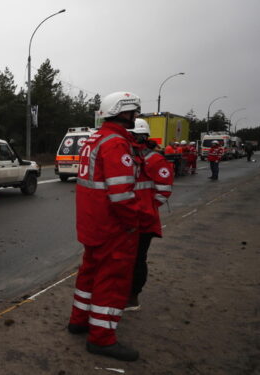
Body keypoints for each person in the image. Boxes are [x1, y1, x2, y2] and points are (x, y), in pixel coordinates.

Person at [68, 91, 141, 362]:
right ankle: (101, 338)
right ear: (123, 112)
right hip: (113, 227)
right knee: (111, 282)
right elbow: (121, 194)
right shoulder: (115, 143)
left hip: (92, 224)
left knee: (88, 274)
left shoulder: (95, 139)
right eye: (134, 112)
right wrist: (133, 223)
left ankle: (79, 321)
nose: (136, 117)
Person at [128, 119, 173, 311]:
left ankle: (132, 297)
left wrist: (147, 208)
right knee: (123, 259)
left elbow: (163, 191)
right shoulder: (123, 156)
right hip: (125, 218)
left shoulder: (155, 160)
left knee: (137, 259)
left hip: (143, 221)